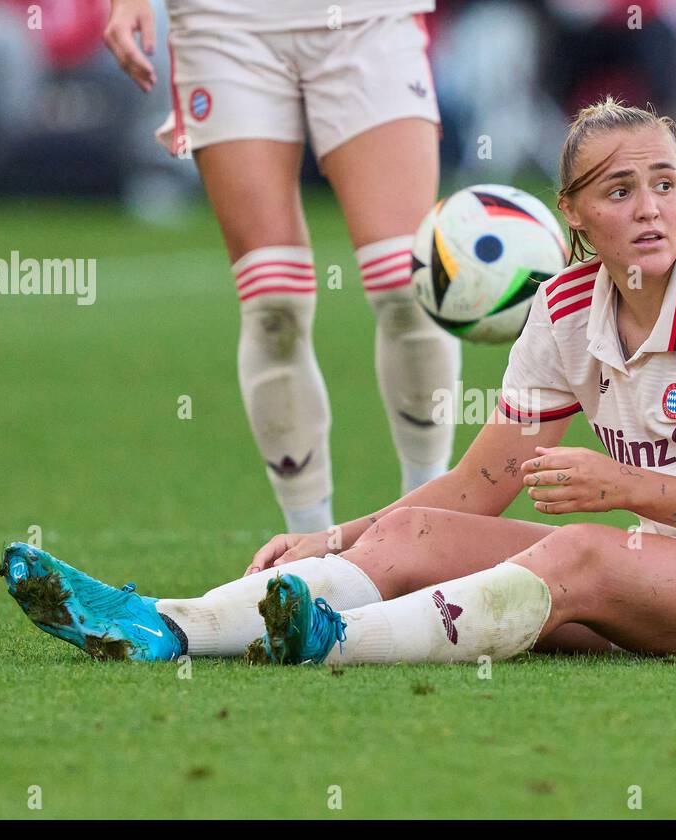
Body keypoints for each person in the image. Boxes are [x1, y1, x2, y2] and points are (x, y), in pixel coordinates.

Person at [0, 98, 676, 665]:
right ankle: (166, 623)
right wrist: (336, 537)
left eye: (665, 183)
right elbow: (479, 487)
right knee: (424, 524)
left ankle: (334, 642)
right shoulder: (567, 306)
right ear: (571, 216)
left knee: (576, 553)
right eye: (619, 192)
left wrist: (621, 486)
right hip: (668, 567)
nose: (650, 208)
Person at [101, 0, 461, 532]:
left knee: (408, 287)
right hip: (224, 22)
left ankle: (427, 526)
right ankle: (307, 548)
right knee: (274, 304)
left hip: (365, 18)